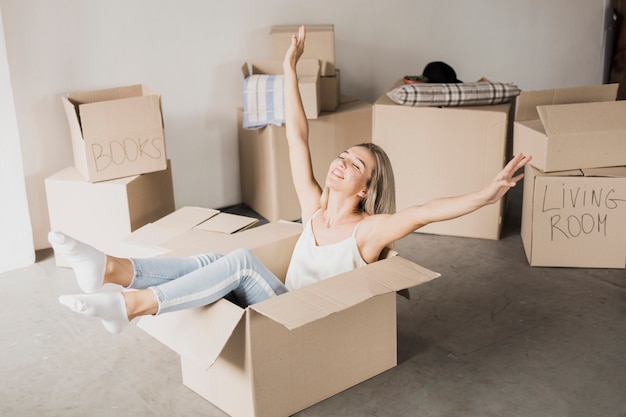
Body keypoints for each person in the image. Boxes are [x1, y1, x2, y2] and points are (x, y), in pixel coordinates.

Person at [53, 26, 531, 334]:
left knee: (239, 261)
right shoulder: (316, 209)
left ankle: (133, 306)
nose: (340, 163)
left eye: (355, 165)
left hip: (307, 321)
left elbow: (425, 211)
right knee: (212, 259)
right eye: (342, 155)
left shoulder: (368, 231)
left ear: (365, 189)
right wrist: (288, 68)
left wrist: (487, 194)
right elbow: (297, 139)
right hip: (282, 307)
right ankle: (110, 269)